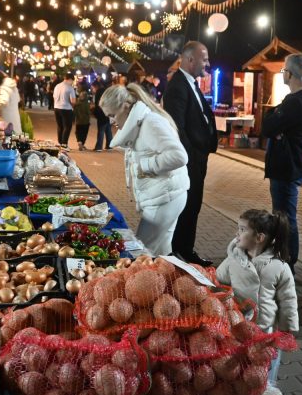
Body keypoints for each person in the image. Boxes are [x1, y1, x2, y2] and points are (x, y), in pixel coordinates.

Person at [100, 83, 189, 255]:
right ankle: (171, 281)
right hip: (165, 196)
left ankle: (146, 282)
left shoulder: (150, 123)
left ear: (125, 107)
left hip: (164, 198)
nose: (111, 121)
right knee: (161, 254)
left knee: (140, 253)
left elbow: (179, 156)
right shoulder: (142, 123)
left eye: (112, 115)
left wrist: (145, 166)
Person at [215, 209, 299, 385]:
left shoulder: (279, 267)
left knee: (263, 369)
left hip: (266, 330)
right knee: (238, 366)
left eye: (242, 229)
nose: (236, 233)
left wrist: (286, 330)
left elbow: (288, 301)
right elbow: (216, 283)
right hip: (237, 326)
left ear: (259, 238)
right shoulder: (232, 261)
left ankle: (265, 388)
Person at [261, 53, 302, 275]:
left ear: (290, 73)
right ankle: (285, 260)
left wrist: (275, 124)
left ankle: (287, 263)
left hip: (286, 165)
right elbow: (273, 126)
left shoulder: (295, 102)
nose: (282, 74)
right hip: (292, 164)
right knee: (283, 214)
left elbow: (267, 127)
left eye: (283, 70)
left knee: (285, 216)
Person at [163, 41, 218, 267]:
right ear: (190, 60)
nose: (207, 63)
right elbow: (177, 127)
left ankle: (186, 250)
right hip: (189, 160)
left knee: (193, 205)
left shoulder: (191, 83)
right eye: (204, 59)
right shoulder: (177, 85)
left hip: (197, 157)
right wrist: (190, 157)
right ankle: (179, 252)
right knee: (186, 206)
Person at [53, 73, 77, 149]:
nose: (72, 82)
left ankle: (60, 143)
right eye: (72, 81)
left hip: (56, 108)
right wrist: (72, 107)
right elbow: (73, 101)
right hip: (66, 109)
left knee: (60, 126)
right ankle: (64, 144)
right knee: (67, 127)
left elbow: (54, 97)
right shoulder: (70, 88)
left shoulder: (57, 86)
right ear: (70, 79)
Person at [91, 80, 112, 151]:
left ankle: (99, 147)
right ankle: (109, 145)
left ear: (96, 86)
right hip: (108, 112)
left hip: (101, 113)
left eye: (93, 88)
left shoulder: (99, 92)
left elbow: (98, 104)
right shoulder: (107, 91)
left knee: (101, 129)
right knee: (108, 129)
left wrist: (94, 110)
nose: (92, 89)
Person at [73, 83, 91, 151]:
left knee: (78, 132)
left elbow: (74, 112)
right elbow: (88, 113)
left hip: (78, 121)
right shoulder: (86, 104)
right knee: (84, 132)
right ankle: (82, 143)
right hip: (85, 121)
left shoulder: (77, 104)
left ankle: (79, 142)